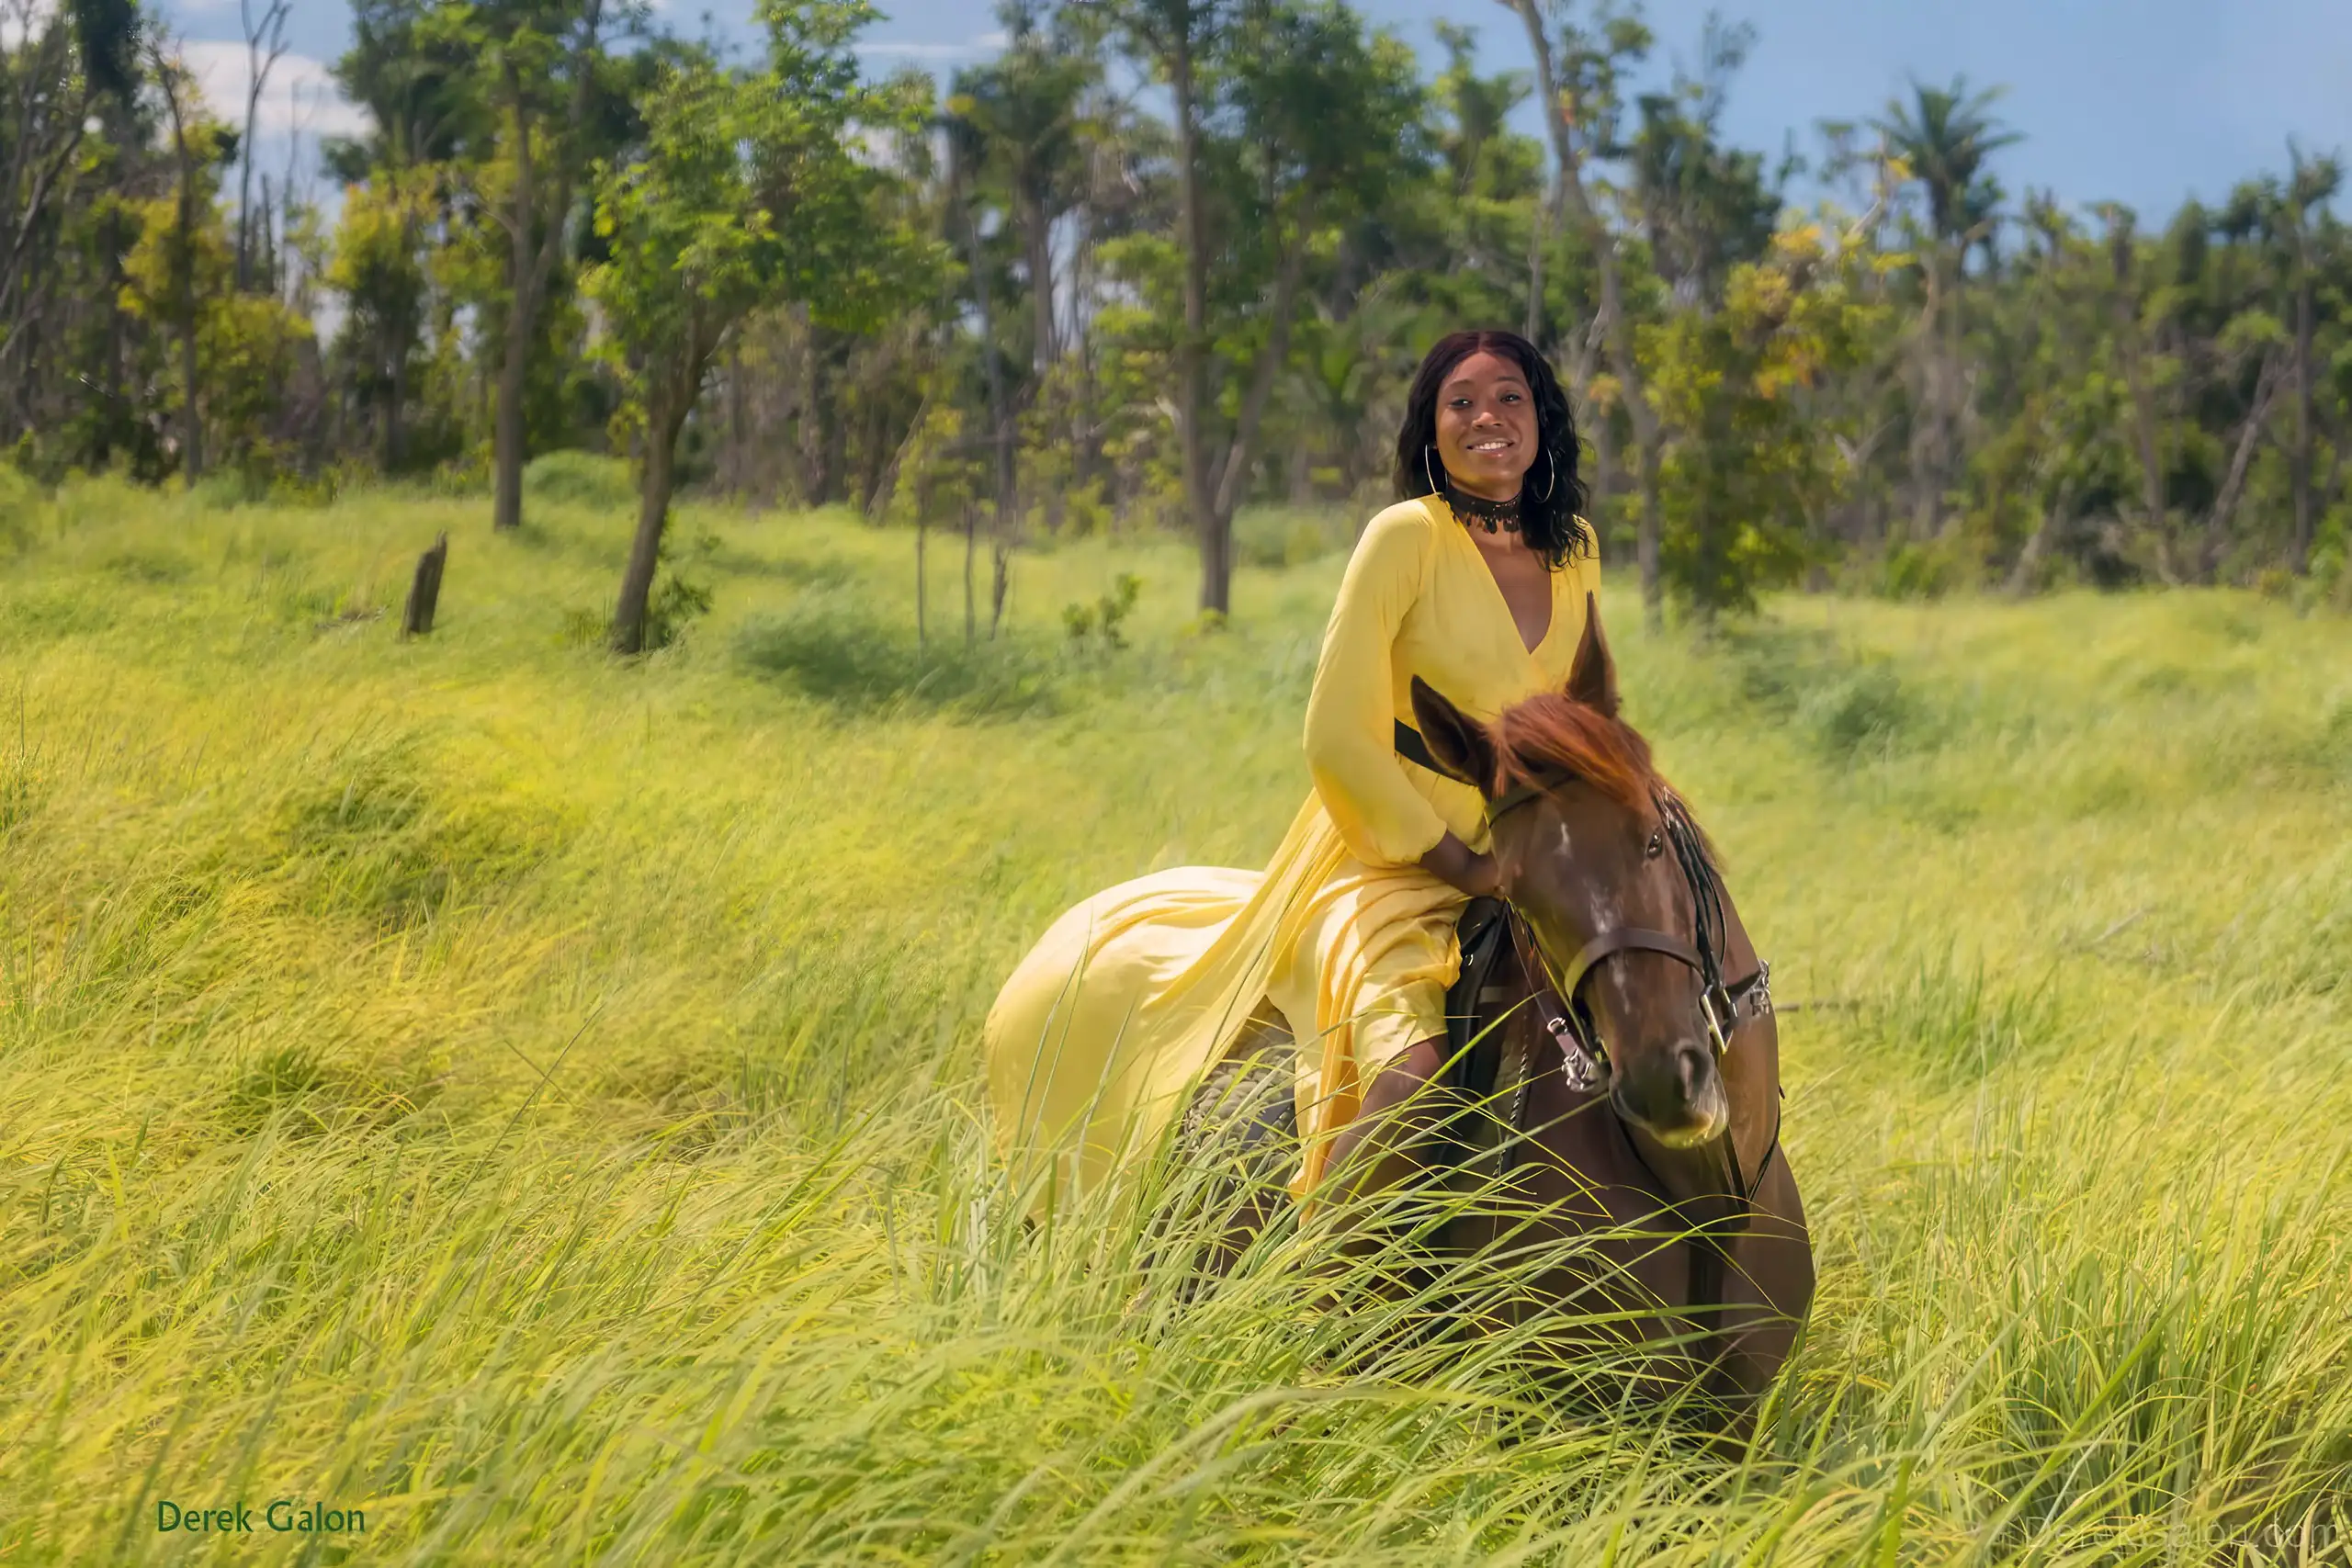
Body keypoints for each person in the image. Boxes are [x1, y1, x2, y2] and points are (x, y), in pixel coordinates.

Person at [984, 328, 1600, 1212]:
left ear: (1542, 416)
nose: (1486, 418)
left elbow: (1579, 717)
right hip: (1389, 863)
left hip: (1531, 854)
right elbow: (1337, 738)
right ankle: (1314, 1292)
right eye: (1459, 401)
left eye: (1509, 396)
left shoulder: (1576, 548)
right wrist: (1462, 867)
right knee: (1412, 1080)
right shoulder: (1403, 539)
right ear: (1432, 429)